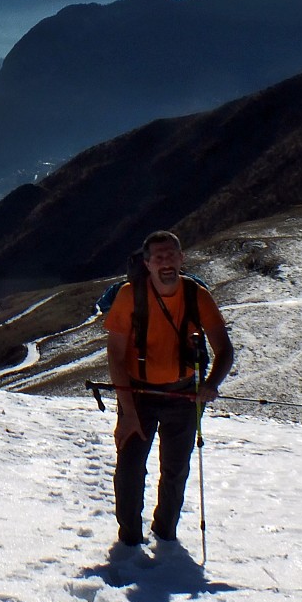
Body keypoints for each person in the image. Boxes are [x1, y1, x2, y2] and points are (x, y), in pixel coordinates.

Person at [104, 230, 233, 547]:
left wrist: (211, 385)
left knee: (175, 471)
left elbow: (225, 350)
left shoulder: (196, 295)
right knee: (130, 471)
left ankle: (165, 534)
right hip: (139, 395)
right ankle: (130, 538)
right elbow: (116, 356)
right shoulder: (128, 296)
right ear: (147, 264)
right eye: (158, 257)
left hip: (184, 395)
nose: (166, 262)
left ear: (181, 258)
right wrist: (128, 412)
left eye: (171, 255)